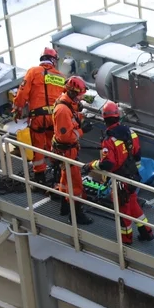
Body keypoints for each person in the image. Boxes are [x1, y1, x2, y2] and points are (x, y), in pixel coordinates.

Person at [81, 101, 153, 245]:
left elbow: (108, 164)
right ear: (118, 116)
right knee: (132, 203)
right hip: (133, 175)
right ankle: (146, 232)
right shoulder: (130, 133)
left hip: (121, 180)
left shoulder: (109, 141)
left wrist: (90, 165)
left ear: (105, 119)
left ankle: (126, 239)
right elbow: (137, 154)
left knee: (123, 211)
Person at [12, 48, 65, 185]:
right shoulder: (60, 77)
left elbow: (23, 92)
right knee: (54, 145)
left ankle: (40, 178)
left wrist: (17, 109)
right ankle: (57, 174)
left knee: (38, 147)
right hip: (54, 117)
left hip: (38, 117)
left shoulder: (33, 72)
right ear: (53, 60)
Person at [52, 76, 93, 225]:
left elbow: (72, 118)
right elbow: (66, 137)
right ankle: (76, 215)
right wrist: (83, 131)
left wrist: (79, 111)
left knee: (65, 180)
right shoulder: (63, 110)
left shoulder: (67, 104)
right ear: (73, 93)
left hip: (68, 152)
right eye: (80, 94)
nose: (81, 97)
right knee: (75, 184)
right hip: (67, 152)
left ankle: (64, 206)